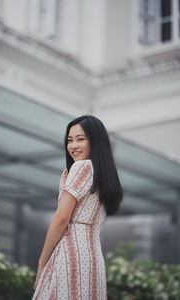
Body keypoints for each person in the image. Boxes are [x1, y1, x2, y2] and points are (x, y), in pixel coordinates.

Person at [32, 115, 123, 300]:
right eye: (69, 140)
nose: (73, 146)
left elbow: (61, 219)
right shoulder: (104, 175)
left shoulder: (81, 167)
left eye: (80, 139)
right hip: (93, 260)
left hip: (70, 255)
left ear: (95, 142)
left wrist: (42, 263)